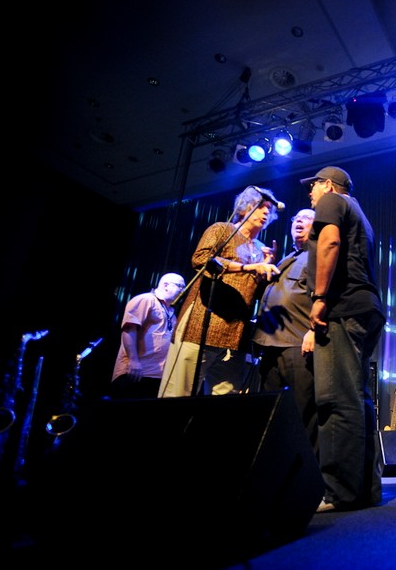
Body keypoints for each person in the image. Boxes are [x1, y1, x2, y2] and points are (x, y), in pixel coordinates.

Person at [301, 166, 386, 512]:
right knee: (357, 398)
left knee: (335, 401)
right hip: (367, 308)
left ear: (329, 185)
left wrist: (320, 296)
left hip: (343, 307)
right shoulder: (360, 213)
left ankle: (340, 493)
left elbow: (331, 241)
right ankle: (365, 489)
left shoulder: (332, 202)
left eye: (314, 186)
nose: (311, 193)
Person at [158, 186, 281, 398]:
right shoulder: (222, 230)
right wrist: (248, 267)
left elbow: (256, 293)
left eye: (269, 209)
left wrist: (266, 268)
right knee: (177, 396)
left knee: (224, 408)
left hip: (236, 335)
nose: (265, 212)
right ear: (245, 207)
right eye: (260, 206)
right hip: (201, 326)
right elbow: (201, 260)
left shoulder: (261, 249)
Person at [252, 208, 318, 455]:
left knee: (303, 413)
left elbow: (327, 297)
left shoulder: (318, 256)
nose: (299, 221)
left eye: (306, 218)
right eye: (296, 219)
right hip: (269, 345)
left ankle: (306, 477)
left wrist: (314, 331)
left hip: (297, 345)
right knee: (271, 413)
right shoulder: (285, 258)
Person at [109, 273, 186, 399]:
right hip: (136, 372)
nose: (183, 291)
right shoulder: (146, 299)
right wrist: (133, 361)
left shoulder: (171, 311)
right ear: (166, 285)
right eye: (180, 286)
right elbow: (129, 329)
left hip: (157, 376)